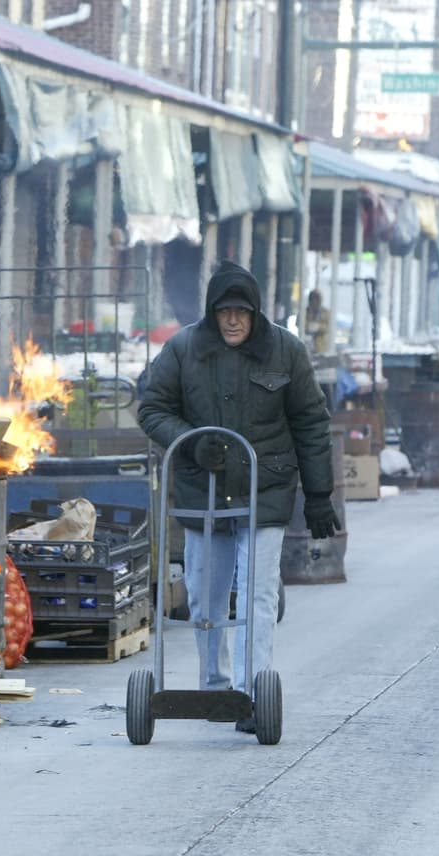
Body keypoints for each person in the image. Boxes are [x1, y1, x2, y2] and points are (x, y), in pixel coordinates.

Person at [137, 261, 339, 734]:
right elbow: (152, 407)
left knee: (257, 593)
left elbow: (312, 422)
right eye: (224, 311)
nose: (232, 321)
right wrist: (188, 439)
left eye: (241, 312)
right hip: (201, 491)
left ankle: (251, 692)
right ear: (212, 312)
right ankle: (214, 685)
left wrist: (319, 495)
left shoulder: (285, 351)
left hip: (263, 489)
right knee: (205, 596)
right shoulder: (184, 348)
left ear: (256, 314)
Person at [303, 289, 330, 356]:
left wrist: (318, 327)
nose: (315, 301)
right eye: (313, 298)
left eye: (318, 299)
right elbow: (298, 324)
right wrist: (308, 326)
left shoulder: (325, 312)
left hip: (321, 347)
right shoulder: (305, 311)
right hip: (306, 346)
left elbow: (328, 327)